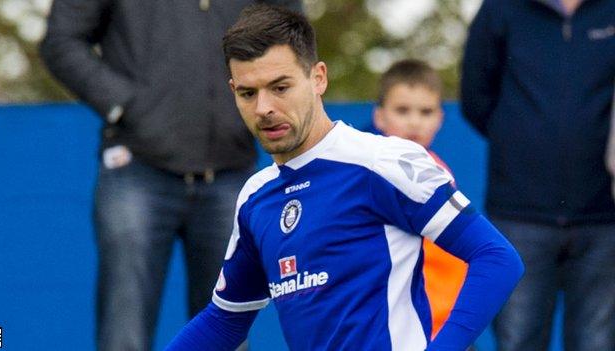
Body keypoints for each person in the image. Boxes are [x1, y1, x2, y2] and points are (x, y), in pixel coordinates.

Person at [165, 5, 523, 350]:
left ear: (318, 78)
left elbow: (497, 258)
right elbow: (224, 321)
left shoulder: (383, 161)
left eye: (280, 87)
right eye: (248, 93)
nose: (264, 108)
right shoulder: (256, 198)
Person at [39, 0, 301, 350]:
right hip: (136, 167)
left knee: (226, 336)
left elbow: (292, 39)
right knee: (124, 334)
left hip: (231, 170)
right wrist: (126, 104)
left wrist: (254, 109)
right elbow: (61, 40)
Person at [461, 0, 615, 350]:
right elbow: (475, 96)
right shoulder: (501, 9)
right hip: (518, 213)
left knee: (598, 343)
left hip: (605, 216)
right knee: (517, 342)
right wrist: (519, 143)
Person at [373, 59, 469, 342]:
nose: (415, 121)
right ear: (380, 116)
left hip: (445, 326)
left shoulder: (441, 172)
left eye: (425, 111)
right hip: (397, 329)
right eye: (402, 110)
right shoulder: (368, 172)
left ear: (440, 117)